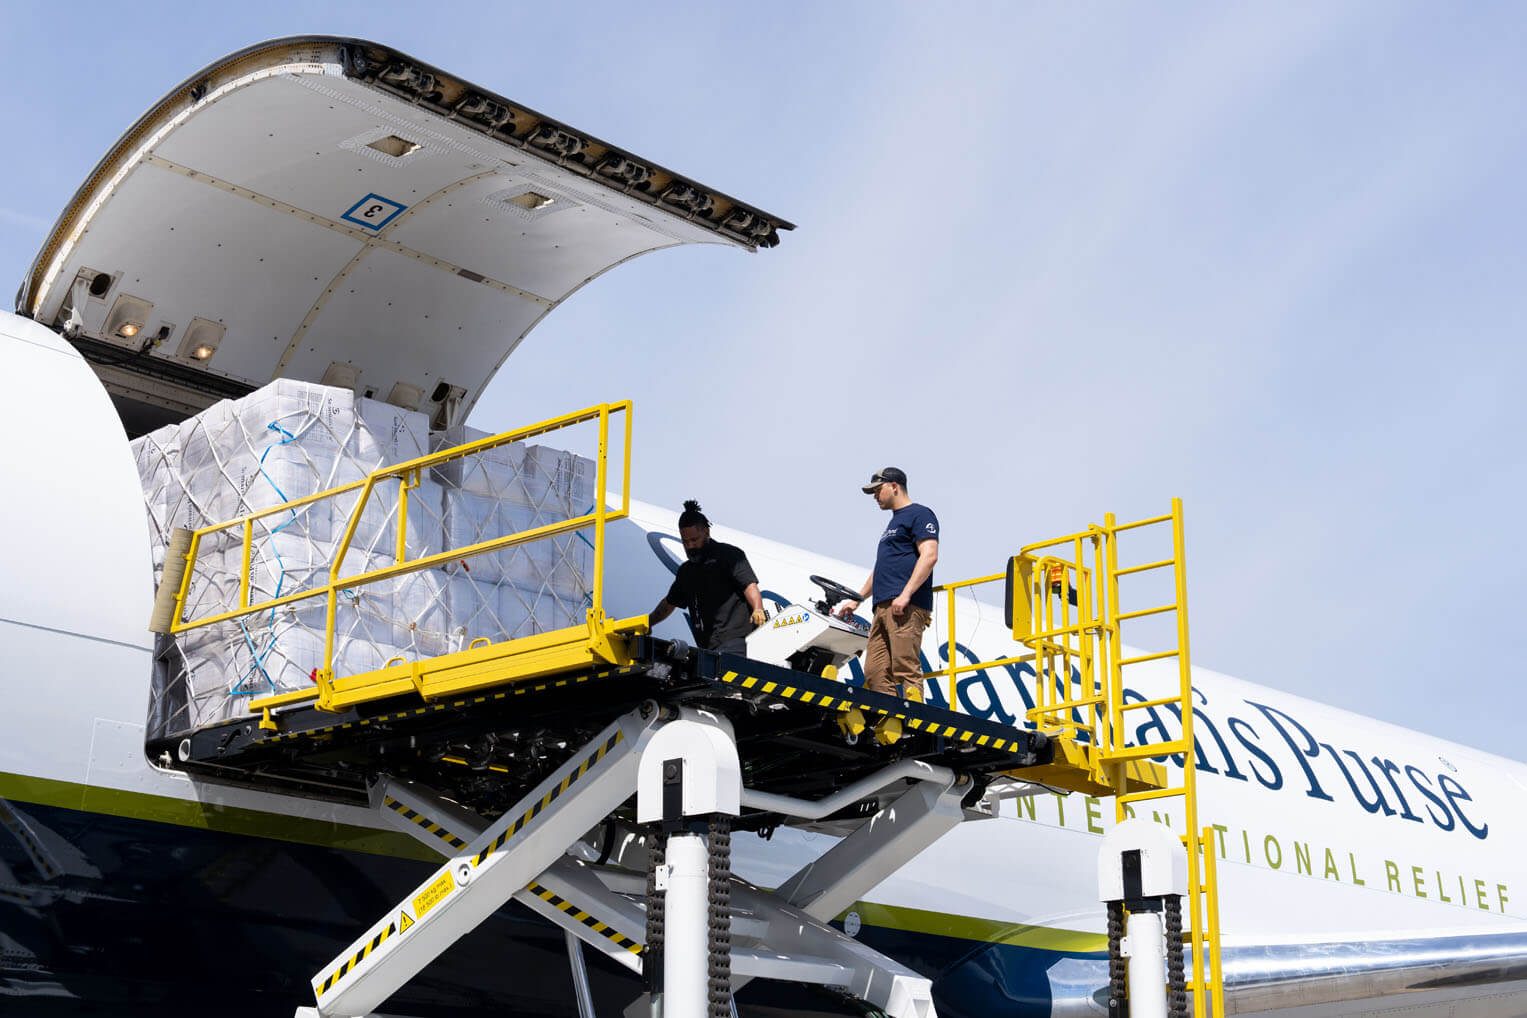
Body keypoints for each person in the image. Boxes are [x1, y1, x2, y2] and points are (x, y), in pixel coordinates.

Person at [833, 467, 939, 700]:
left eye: (877, 490)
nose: (874, 496)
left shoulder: (919, 514)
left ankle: (915, 722)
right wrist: (857, 600)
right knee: (875, 670)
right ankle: (890, 720)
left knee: (904, 665)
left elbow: (929, 555)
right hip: (881, 606)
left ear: (894, 486)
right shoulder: (892, 525)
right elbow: (881, 567)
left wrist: (906, 594)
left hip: (904, 605)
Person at [649, 500, 768, 655]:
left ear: (706, 532)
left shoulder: (728, 555)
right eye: (685, 542)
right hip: (710, 647)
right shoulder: (687, 572)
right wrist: (648, 622)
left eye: (694, 540)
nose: (690, 546)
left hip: (737, 641)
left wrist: (758, 608)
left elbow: (749, 585)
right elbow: (669, 603)